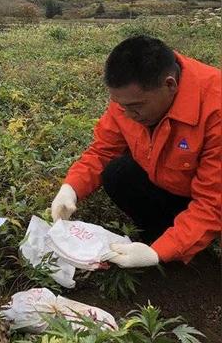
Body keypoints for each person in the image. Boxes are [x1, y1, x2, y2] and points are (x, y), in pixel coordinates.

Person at [51, 35, 221, 268]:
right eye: (120, 106)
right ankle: (162, 240)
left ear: (170, 85)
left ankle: (180, 249)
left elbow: (212, 202)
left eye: (135, 107)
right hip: (170, 184)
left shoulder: (215, 108)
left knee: (182, 238)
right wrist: (70, 188)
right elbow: (102, 150)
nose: (127, 115)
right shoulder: (128, 99)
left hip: (209, 196)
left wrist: (159, 252)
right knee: (119, 174)